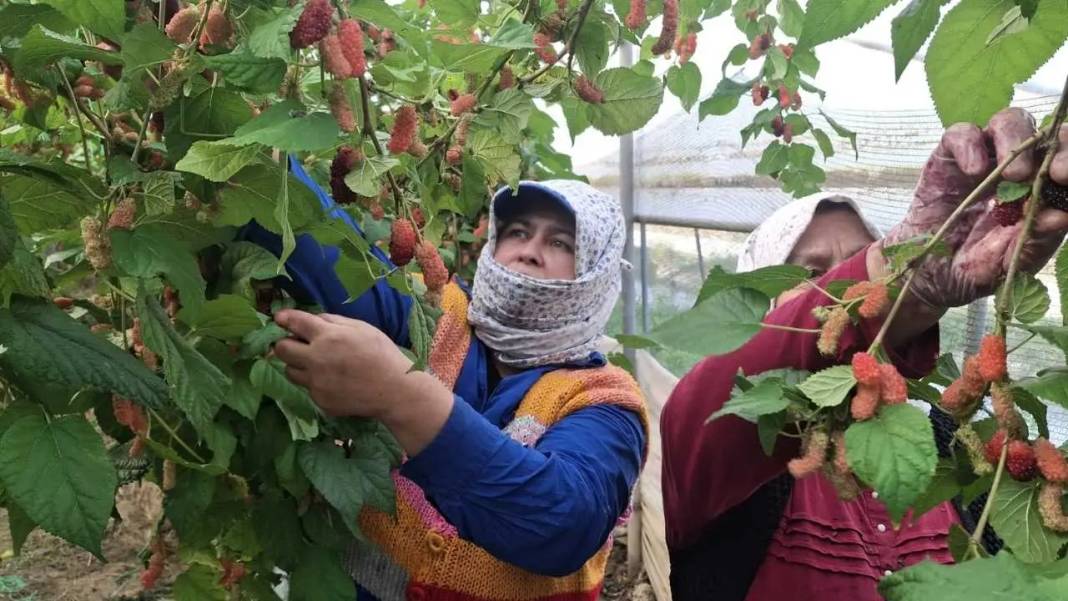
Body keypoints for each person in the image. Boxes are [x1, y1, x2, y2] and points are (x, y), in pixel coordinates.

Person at [661, 107, 1068, 601]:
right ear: (769, 306)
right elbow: (708, 400)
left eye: (860, 256)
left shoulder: (945, 446)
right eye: (812, 275)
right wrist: (899, 280)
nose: (839, 292)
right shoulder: (736, 436)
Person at [245, 161, 648, 601]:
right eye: (517, 232)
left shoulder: (604, 399)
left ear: (597, 274)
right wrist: (257, 160)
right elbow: (327, 257)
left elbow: (564, 523)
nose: (530, 250)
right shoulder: (436, 314)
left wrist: (399, 394)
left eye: (561, 242)